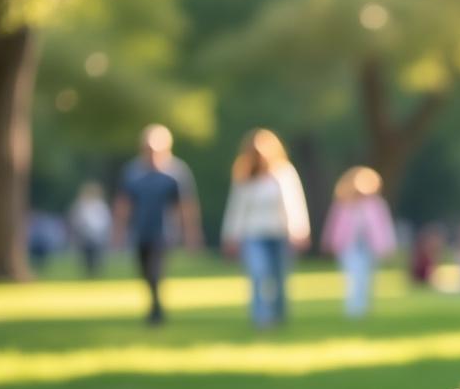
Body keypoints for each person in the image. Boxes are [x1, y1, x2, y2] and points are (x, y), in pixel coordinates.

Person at [114, 124, 203, 325]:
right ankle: (154, 303)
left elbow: (185, 206)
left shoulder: (176, 172)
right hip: (140, 230)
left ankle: (156, 311)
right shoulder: (133, 172)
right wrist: (118, 233)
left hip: (164, 232)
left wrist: (191, 234)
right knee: (145, 271)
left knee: (156, 270)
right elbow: (124, 204)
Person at [221, 129, 310, 328]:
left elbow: (295, 204)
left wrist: (300, 230)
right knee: (258, 274)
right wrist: (230, 236)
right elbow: (236, 208)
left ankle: (279, 315)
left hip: (280, 233)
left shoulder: (284, 173)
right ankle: (262, 319)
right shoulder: (244, 175)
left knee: (279, 277)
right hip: (253, 233)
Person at [321, 167, 396, 318]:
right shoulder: (344, 204)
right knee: (353, 276)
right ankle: (353, 308)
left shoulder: (376, 205)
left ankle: (363, 306)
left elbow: (384, 227)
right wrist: (331, 242)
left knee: (367, 277)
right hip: (349, 245)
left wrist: (387, 246)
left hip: (370, 246)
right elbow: (334, 225)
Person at [69, 182, 113, 277]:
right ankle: (89, 273)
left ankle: (95, 273)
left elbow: (105, 221)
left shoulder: (100, 206)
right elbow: (76, 220)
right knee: (86, 258)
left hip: (97, 236)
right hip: (85, 236)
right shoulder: (81, 205)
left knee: (96, 258)